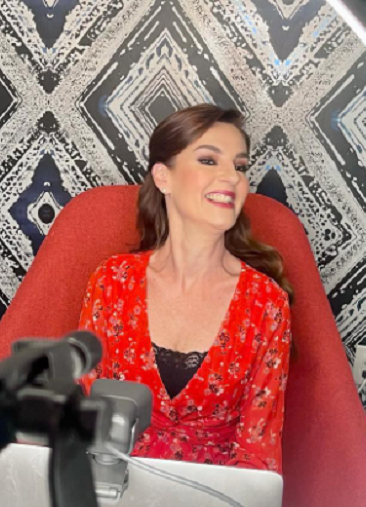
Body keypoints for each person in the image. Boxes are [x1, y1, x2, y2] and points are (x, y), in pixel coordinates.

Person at [78, 104, 294, 474]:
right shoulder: (111, 282)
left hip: (217, 495)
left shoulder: (266, 303)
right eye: (209, 160)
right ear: (163, 177)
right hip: (116, 488)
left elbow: (258, 456)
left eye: (240, 167)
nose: (232, 177)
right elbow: (91, 424)